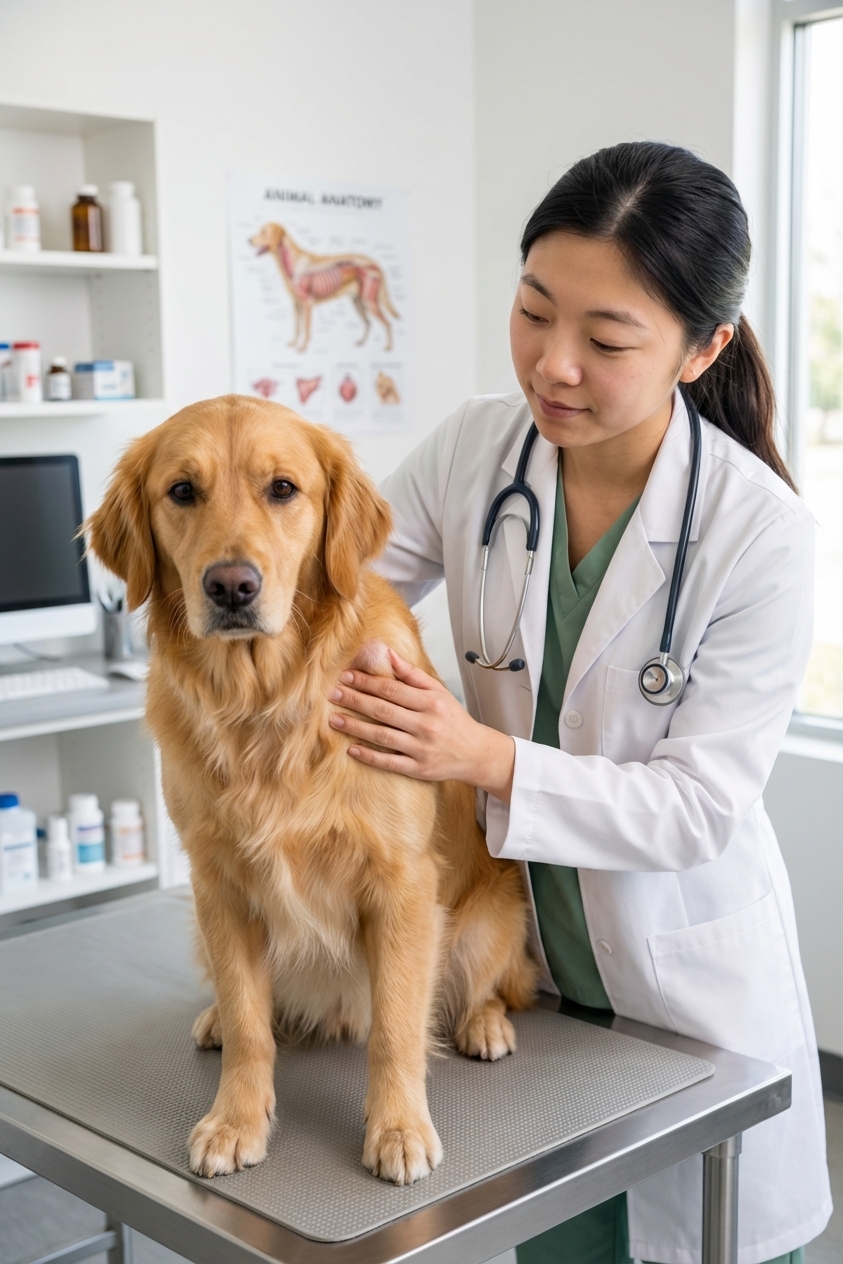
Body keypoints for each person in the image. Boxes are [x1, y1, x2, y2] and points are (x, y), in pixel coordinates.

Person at [325, 142, 832, 1263]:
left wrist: (480, 756)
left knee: (702, 1240)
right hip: (525, 988)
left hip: (688, 996)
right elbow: (343, 594)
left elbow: (698, 810)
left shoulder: (762, 537)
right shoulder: (475, 450)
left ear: (701, 349)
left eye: (606, 341)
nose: (552, 365)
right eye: (531, 312)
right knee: (562, 1240)